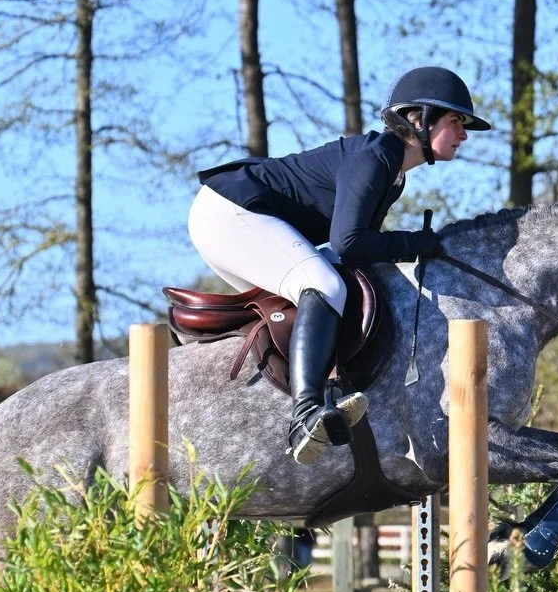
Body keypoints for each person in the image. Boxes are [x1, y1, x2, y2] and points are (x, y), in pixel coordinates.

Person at [189, 66, 491, 465]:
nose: (464, 134)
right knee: (323, 284)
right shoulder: (374, 158)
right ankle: (305, 413)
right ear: (419, 119)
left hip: (236, 217)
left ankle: (328, 387)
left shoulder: (393, 173)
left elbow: (355, 252)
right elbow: (348, 244)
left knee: (335, 284)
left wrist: (411, 246)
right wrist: (416, 244)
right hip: (230, 214)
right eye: (456, 121)